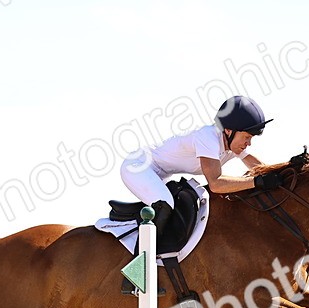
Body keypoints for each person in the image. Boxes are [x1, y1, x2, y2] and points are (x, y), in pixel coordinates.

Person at [119, 96, 283, 292]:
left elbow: (259, 168)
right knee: (165, 204)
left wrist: (284, 175)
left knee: (170, 205)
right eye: (247, 137)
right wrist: (257, 182)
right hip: (139, 166)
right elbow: (216, 184)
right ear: (229, 131)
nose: (249, 143)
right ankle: (136, 275)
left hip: (159, 173)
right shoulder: (208, 137)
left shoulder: (231, 144)